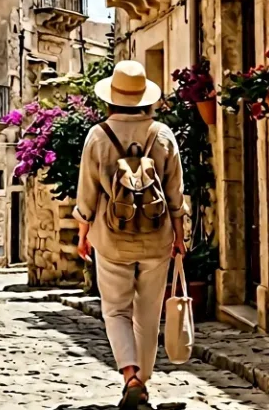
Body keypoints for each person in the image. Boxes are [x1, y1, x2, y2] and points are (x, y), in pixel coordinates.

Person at [75, 60, 187, 409]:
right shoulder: (163, 135)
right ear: (144, 99)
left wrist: (83, 231)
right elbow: (175, 194)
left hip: (110, 238)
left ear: (111, 99)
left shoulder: (98, 136)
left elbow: (87, 192)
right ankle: (144, 382)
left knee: (116, 310)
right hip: (157, 236)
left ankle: (130, 375)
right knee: (149, 312)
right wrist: (180, 236)